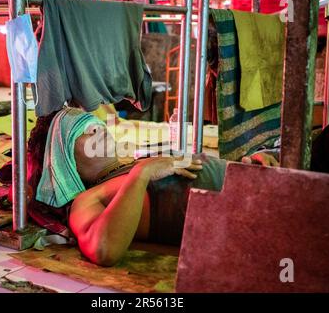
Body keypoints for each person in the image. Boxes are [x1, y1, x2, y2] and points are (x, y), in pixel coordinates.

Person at [27, 107, 280, 266]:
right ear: (65, 161)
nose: (98, 127)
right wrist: (142, 173)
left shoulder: (135, 160)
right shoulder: (87, 200)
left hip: (265, 185)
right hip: (261, 215)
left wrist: (251, 164)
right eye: (83, 131)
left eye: (94, 122)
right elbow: (104, 249)